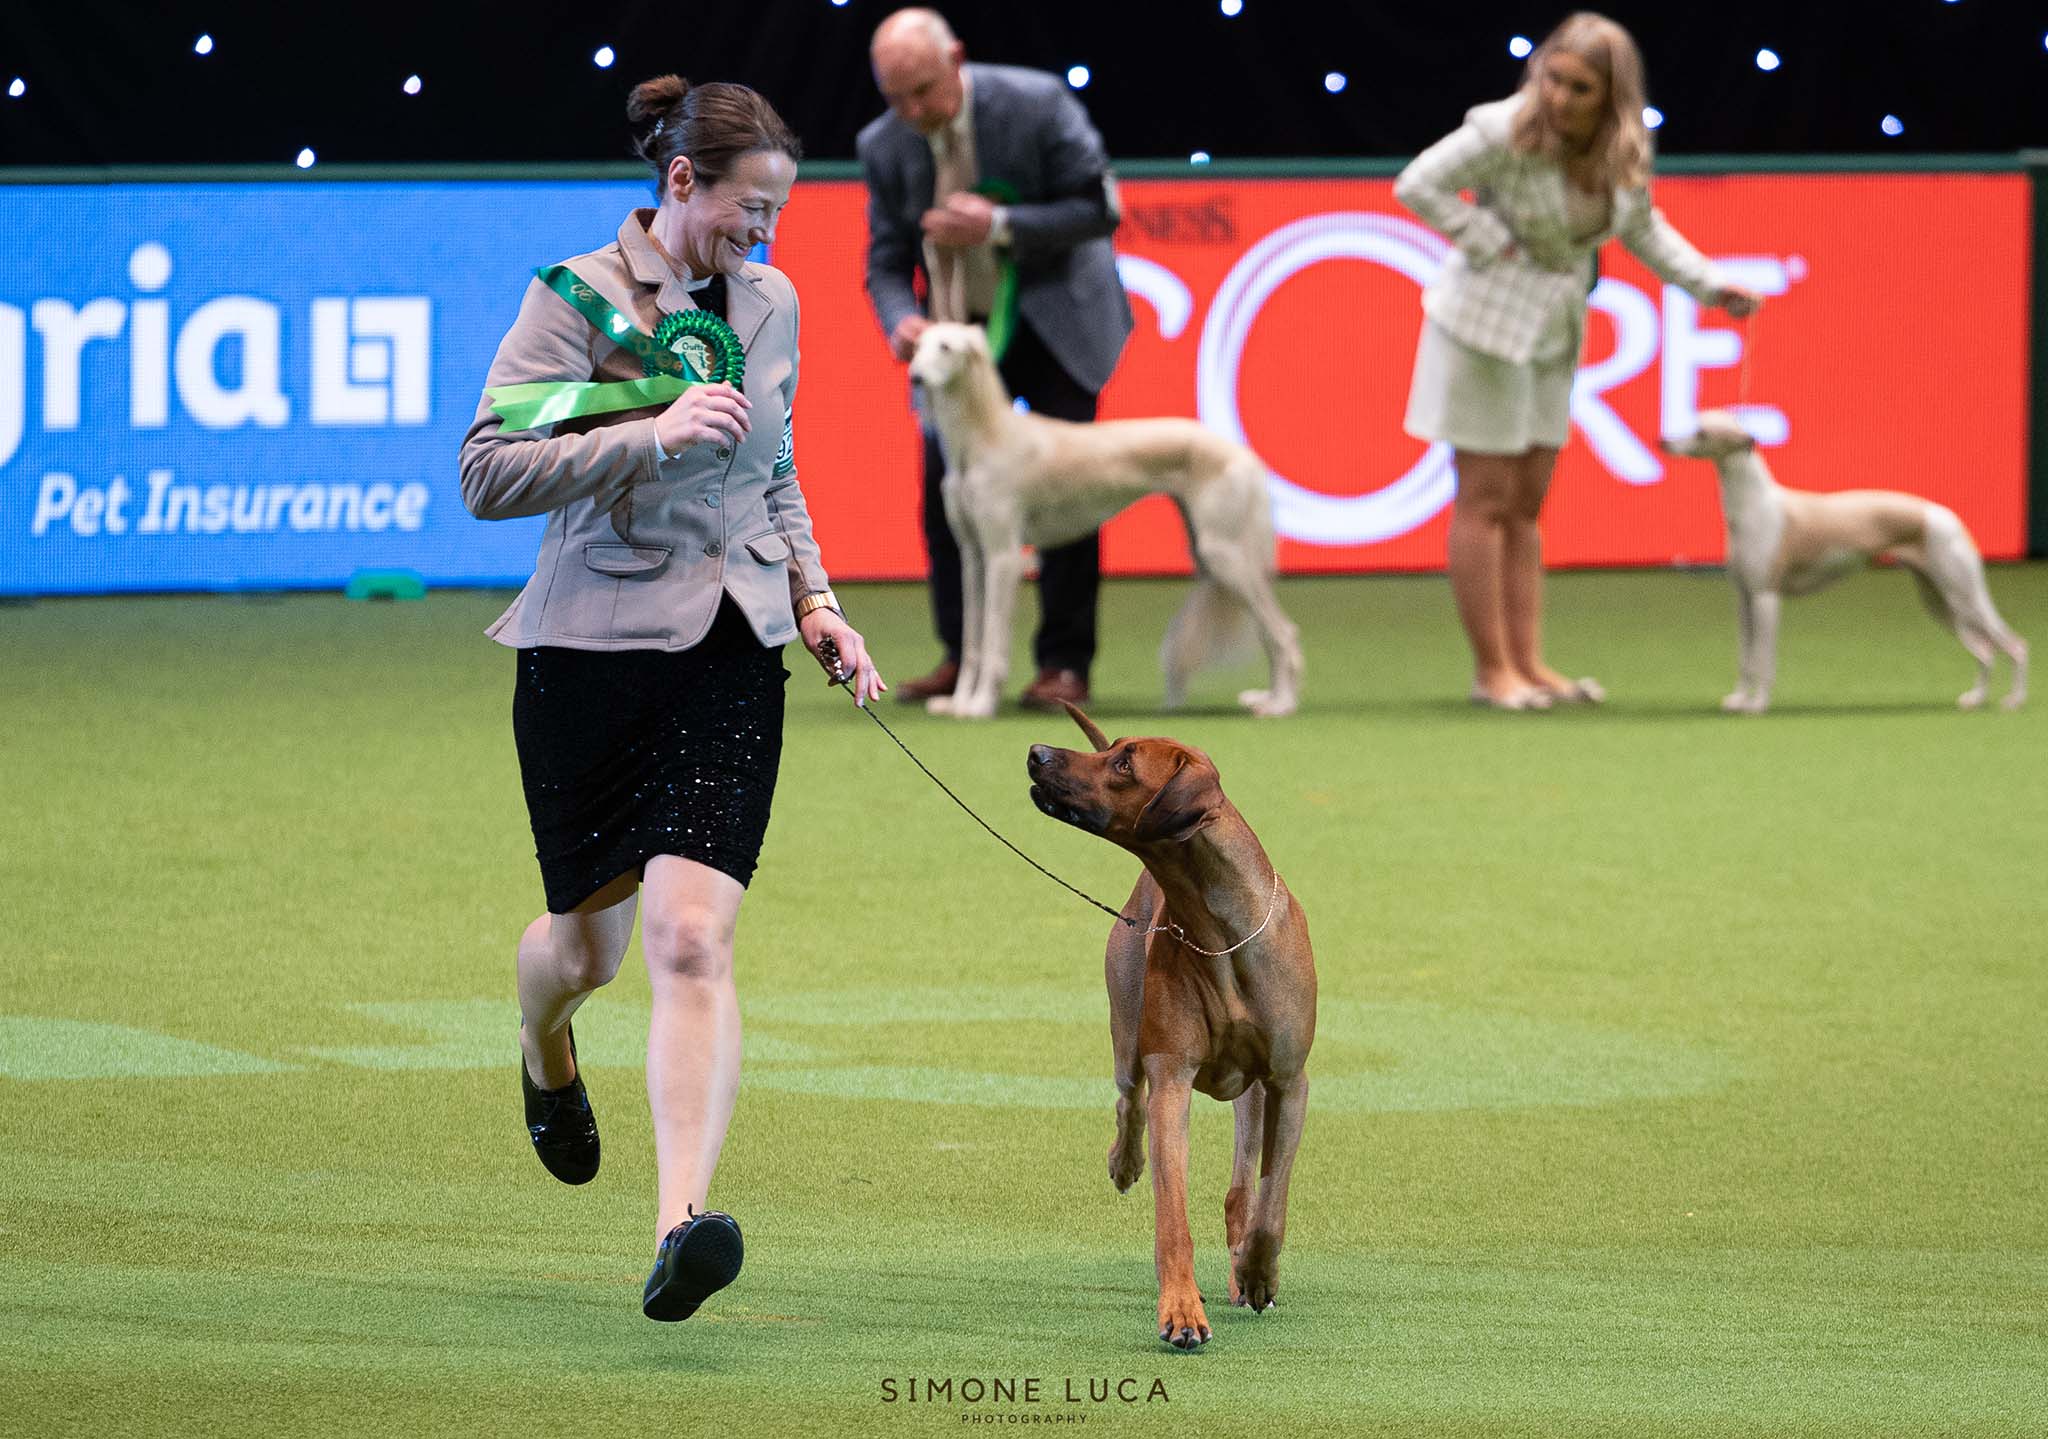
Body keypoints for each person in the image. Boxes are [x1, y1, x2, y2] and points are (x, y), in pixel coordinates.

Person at [458, 75, 885, 1323]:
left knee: (691, 938)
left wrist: (813, 598)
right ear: (682, 182)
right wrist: (647, 428)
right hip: (588, 650)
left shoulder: (774, 302)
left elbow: (776, 460)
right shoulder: (574, 295)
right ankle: (543, 1046)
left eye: (779, 215)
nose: (764, 236)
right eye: (749, 209)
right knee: (583, 949)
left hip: (730, 652)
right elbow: (486, 468)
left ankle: (678, 1225)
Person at [1395, 11, 1759, 710]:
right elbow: (1417, 184)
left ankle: (1531, 664)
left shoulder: (1625, 145)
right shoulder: (1502, 129)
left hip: (1555, 330)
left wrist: (1711, 285)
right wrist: (1486, 236)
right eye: (1552, 77)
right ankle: (1491, 671)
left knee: (1528, 504)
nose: (1557, 97)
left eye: (1579, 87)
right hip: (1479, 328)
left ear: (1611, 96)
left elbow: (1644, 229)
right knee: (1484, 498)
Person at [859, 6, 1133, 711]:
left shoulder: (1036, 102)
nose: (913, 110)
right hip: (955, 337)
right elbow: (886, 260)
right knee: (947, 491)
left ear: (956, 59)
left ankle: (1063, 666)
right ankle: (963, 656)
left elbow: (1099, 207)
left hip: (1057, 318)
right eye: (896, 97)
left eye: (923, 90)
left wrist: (1000, 224)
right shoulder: (883, 145)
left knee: (1068, 487)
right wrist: (902, 319)